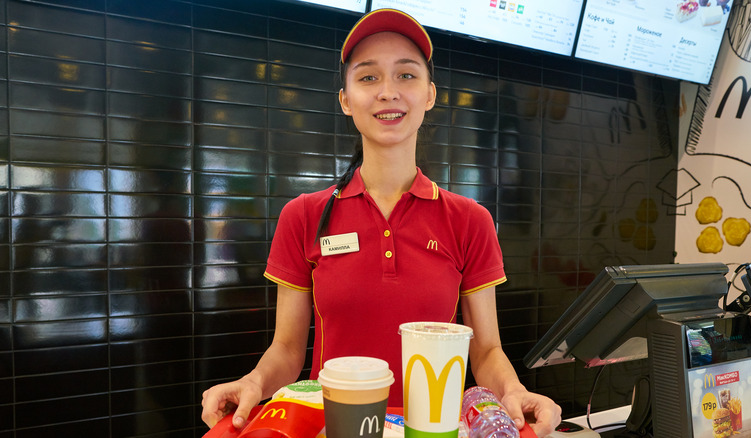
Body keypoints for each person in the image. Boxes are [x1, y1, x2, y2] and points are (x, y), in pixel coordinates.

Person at [201, 8, 562, 437]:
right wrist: (254, 383)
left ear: (430, 94)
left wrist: (514, 390)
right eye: (368, 77)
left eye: (406, 75)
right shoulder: (304, 216)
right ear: (346, 99)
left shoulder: (469, 220)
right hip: (334, 426)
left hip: (433, 430)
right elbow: (287, 348)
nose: (388, 92)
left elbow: (484, 350)